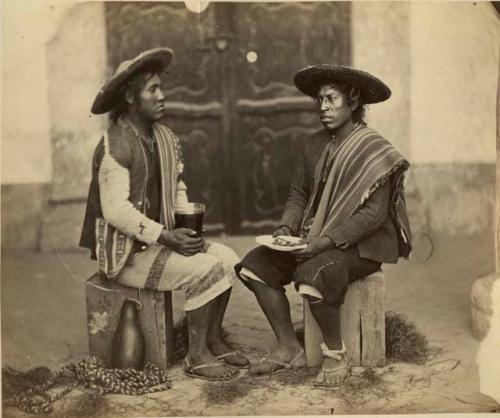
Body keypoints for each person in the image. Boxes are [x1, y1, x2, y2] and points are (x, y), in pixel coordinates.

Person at [236, 64, 412, 386]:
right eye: (319, 100)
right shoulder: (314, 144)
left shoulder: (375, 151)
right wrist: (286, 229)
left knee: (313, 275)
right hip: (313, 237)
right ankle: (289, 346)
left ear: (354, 100)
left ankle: (335, 355)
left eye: (331, 99)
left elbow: (372, 216)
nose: (323, 107)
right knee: (253, 266)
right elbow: (298, 194)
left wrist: (326, 241)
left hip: (362, 244)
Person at [80, 48, 249, 381]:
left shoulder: (163, 137)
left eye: (161, 87)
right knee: (204, 271)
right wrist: (165, 236)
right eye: (152, 90)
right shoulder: (116, 144)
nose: (162, 95)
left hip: (160, 240)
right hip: (126, 255)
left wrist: (186, 225)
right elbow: (115, 210)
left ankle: (213, 338)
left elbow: (177, 184)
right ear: (130, 97)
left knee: (228, 259)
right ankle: (196, 355)